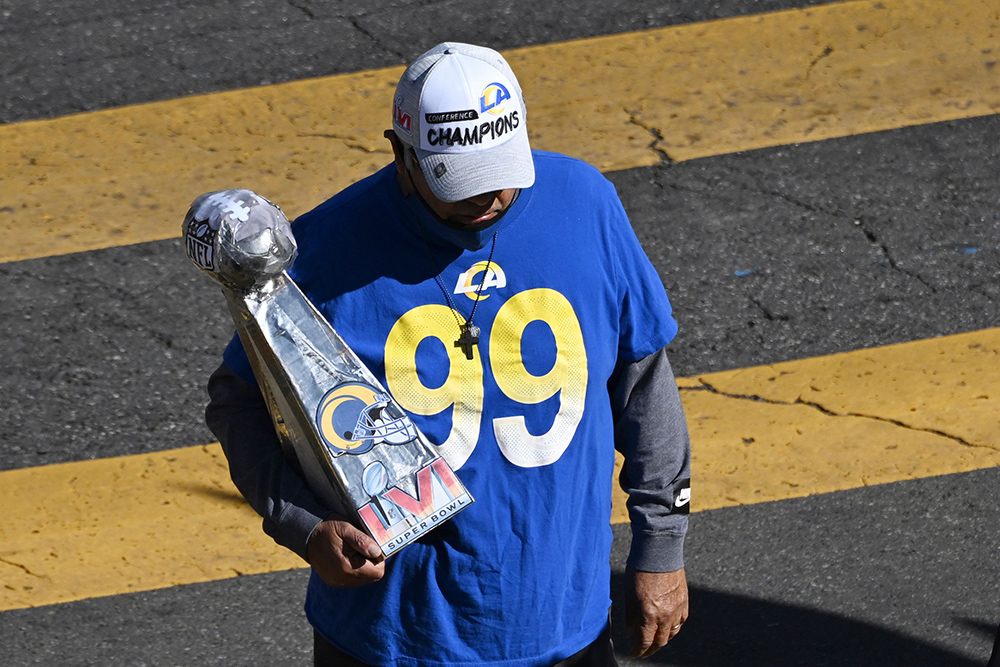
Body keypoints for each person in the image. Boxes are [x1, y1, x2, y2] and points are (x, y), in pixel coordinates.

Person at [206, 42, 691, 666]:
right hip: (394, 641)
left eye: (499, 175)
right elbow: (238, 402)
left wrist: (662, 550)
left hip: (562, 628)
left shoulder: (586, 204)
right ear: (399, 154)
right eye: (457, 182)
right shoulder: (324, 253)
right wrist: (305, 526)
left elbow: (642, 384)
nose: (487, 201)